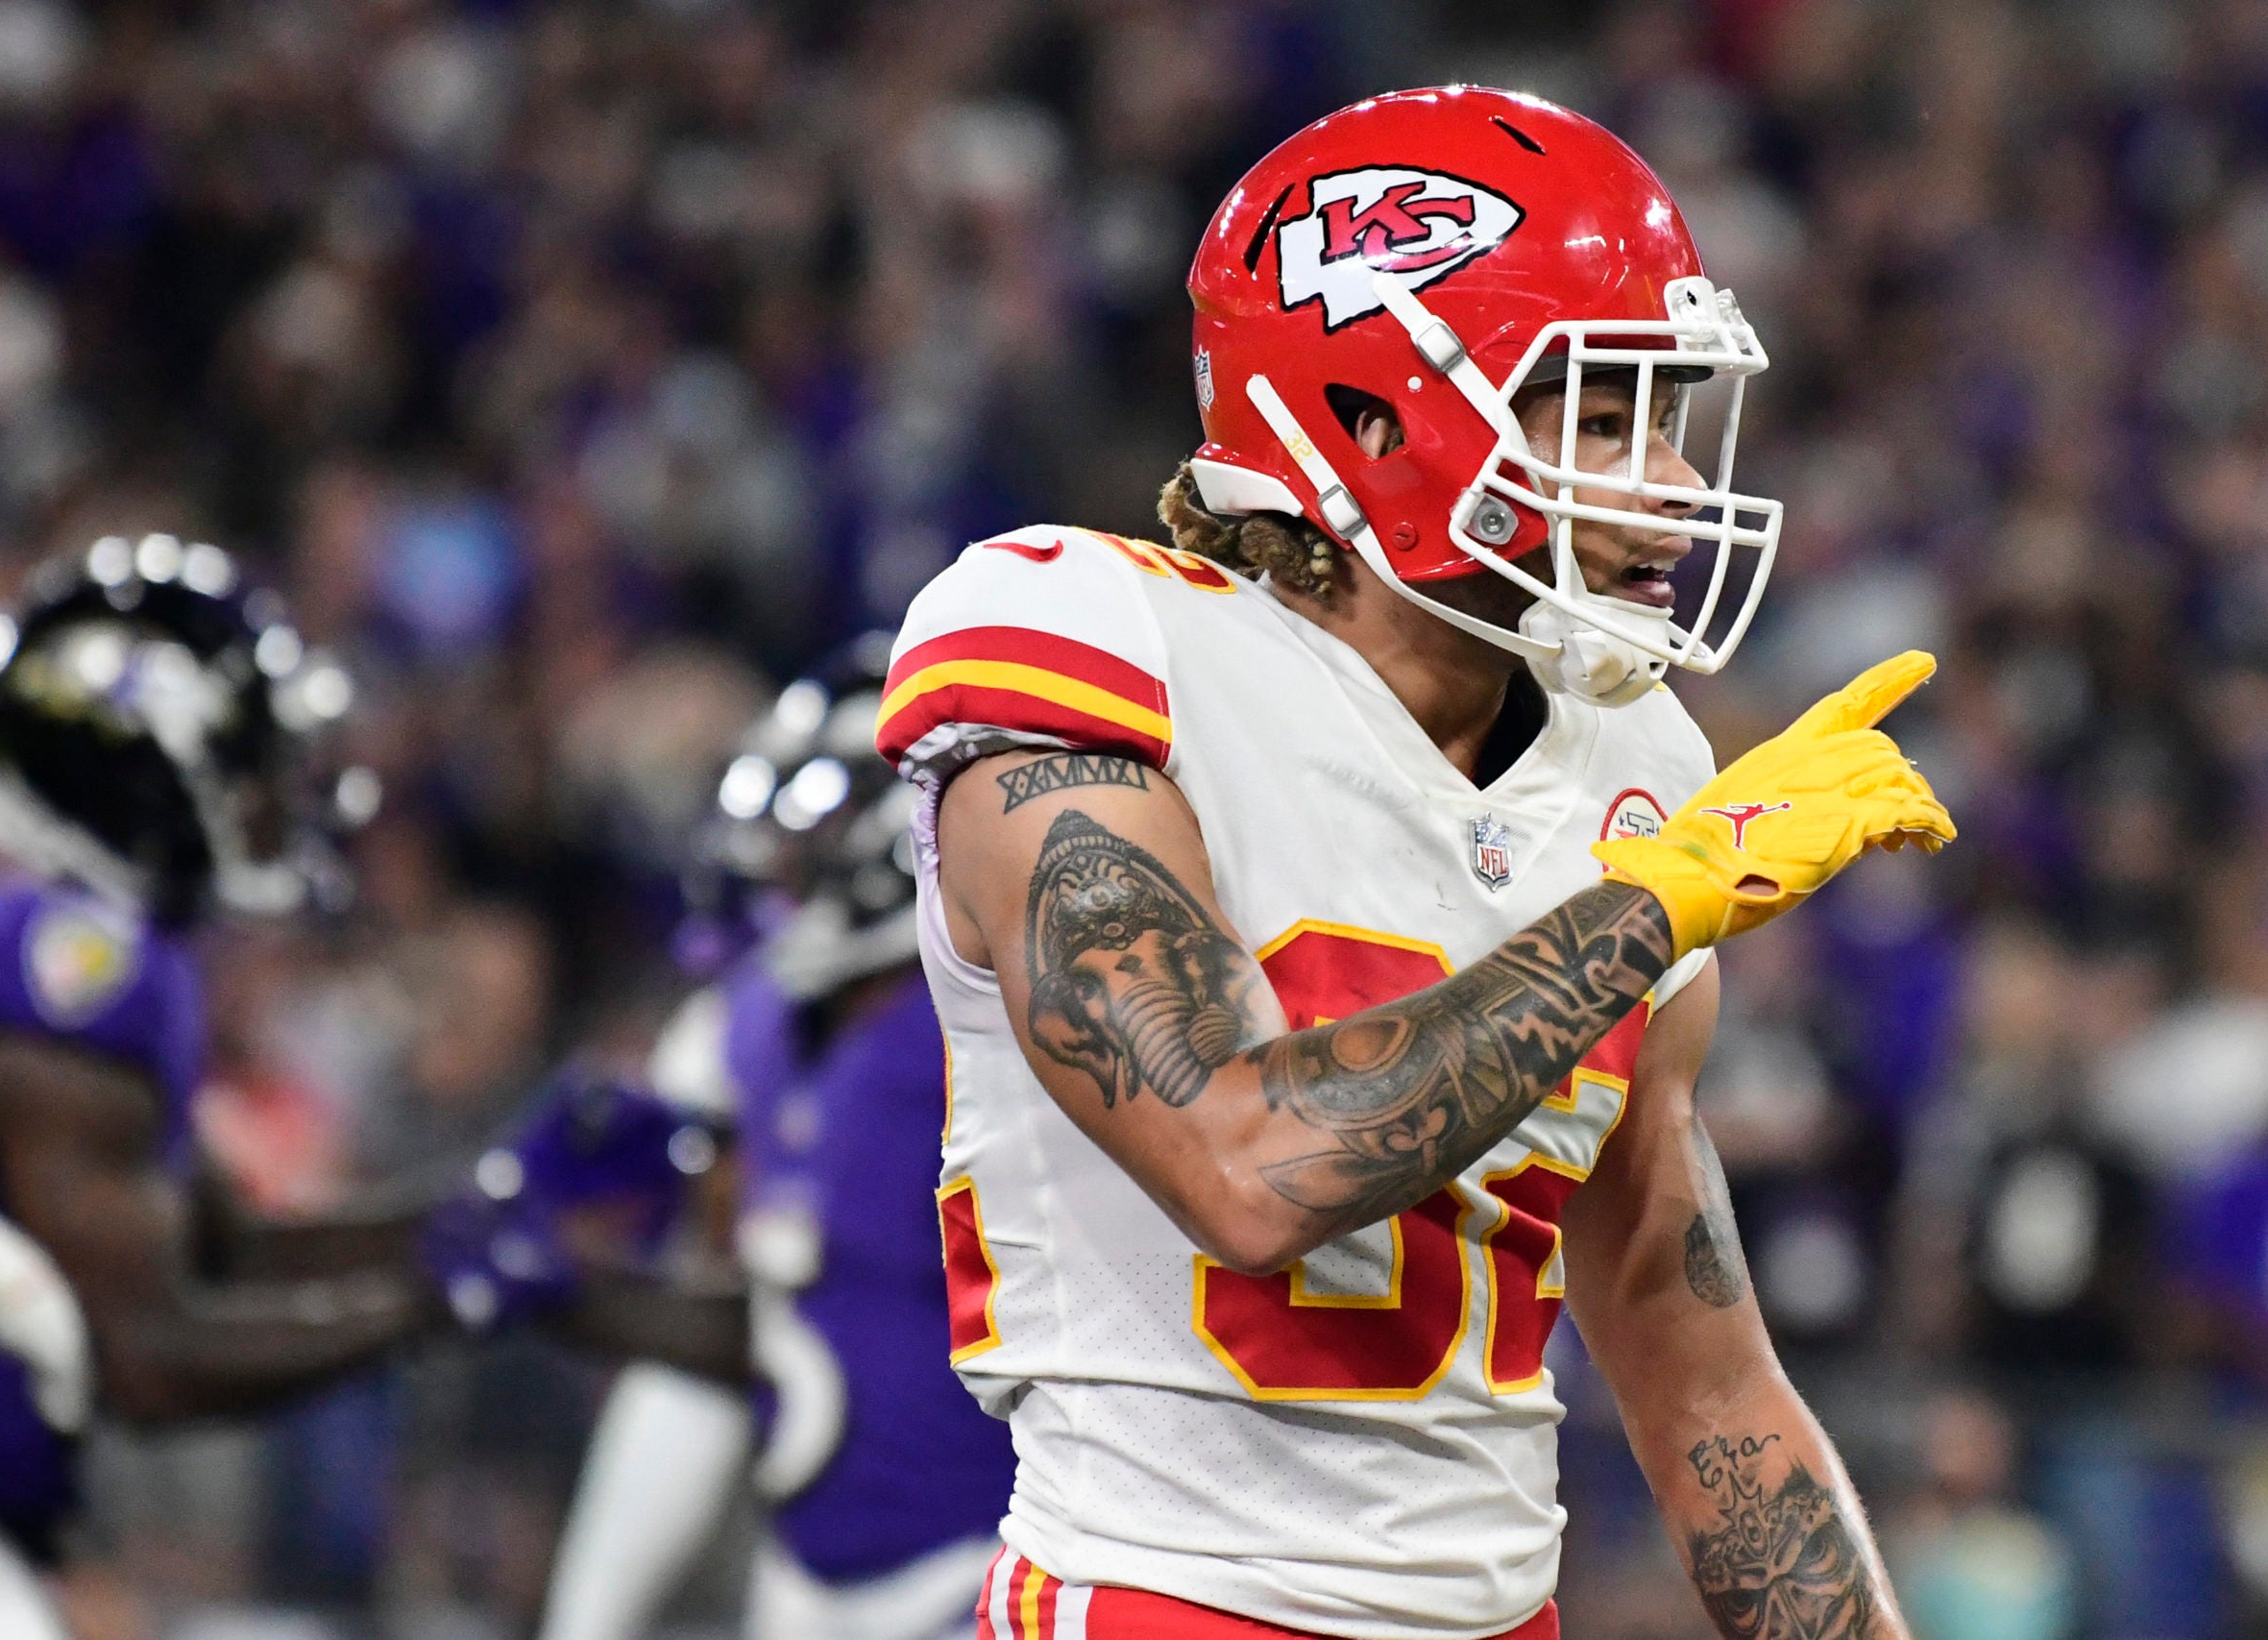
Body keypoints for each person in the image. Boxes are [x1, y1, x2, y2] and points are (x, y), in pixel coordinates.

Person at [878, 88, 1955, 1640]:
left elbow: (1695, 1362)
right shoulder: (1093, 645)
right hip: (1167, 1604)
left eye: (1666, 417)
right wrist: (1653, 905)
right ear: (1370, 421)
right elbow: (1249, 1169)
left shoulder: (1638, 760)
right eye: (1601, 417)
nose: (1666, 481)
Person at [427, 648, 1011, 1640]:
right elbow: (722, 1342)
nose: (775, 879)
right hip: (805, 1585)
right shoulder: (740, 1033)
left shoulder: (988, 1034)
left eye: (805, 848)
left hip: (990, 1564)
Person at [0, 535, 440, 1640]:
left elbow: (229, 1252)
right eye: (244, 762)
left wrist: (489, 1223)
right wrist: (442, 1301)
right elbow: (150, 1362)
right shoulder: (68, 969)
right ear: (142, 764)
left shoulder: (92, 950)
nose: (271, 796)